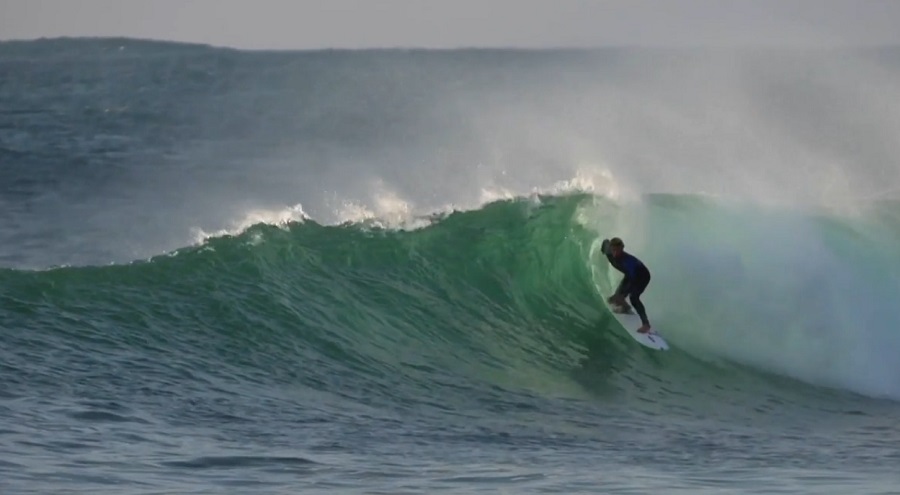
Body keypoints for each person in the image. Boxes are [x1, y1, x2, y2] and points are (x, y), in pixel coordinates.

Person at [601, 237, 652, 333]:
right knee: (612, 300)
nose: (615, 253)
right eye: (613, 250)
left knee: (633, 298)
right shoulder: (608, 250)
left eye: (618, 251)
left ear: (622, 249)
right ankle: (625, 308)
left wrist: (623, 295)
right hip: (629, 275)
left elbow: (633, 280)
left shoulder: (628, 262)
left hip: (641, 277)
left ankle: (646, 324)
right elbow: (605, 241)